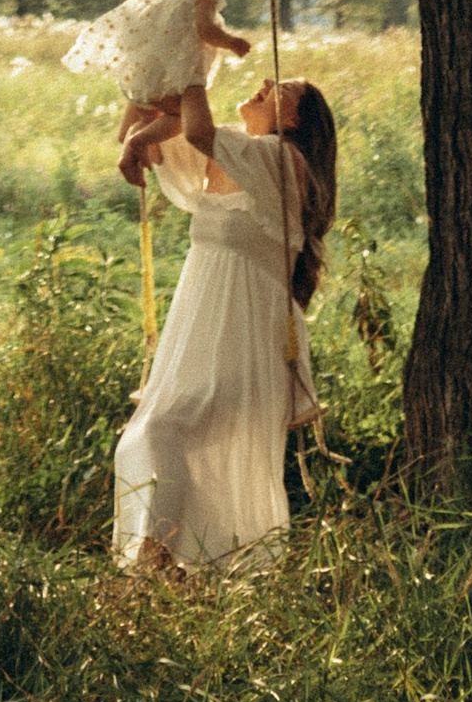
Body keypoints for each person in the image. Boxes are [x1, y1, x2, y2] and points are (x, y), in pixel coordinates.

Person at [110, 75, 338, 578]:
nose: (264, 82)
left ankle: (157, 561)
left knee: (165, 430)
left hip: (244, 330)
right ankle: (174, 566)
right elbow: (141, 120)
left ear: (294, 120)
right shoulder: (235, 154)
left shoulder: (280, 160)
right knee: (155, 436)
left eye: (281, 88)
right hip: (204, 328)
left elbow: (197, 132)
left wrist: (189, 72)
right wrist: (152, 70)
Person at [62, 0, 254, 181]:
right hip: (178, 78)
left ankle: (129, 149)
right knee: (181, 118)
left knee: (151, 118)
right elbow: (205, 29)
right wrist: (232, 42)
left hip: (144, 77)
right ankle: (137, 141)